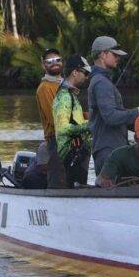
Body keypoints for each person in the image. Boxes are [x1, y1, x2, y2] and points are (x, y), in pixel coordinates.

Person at [87, 35, 139, 175]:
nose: (118, 58)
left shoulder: (102, 81)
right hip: (108, 150)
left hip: (111, 149)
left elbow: (114, 117)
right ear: (102, 54)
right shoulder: (101, 83)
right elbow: (111, 117)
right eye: (114, 54)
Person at [52, 55, 92, 188]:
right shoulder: (64, 96)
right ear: (75, 72)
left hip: (78, 154)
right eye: (85, 73)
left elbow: (74, 120)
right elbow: (62, 128)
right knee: (75, 190)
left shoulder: (72, 95)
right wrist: (89, 126)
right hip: (70, 156)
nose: (87, 77)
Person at [35, 47, 66, 187]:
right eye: (49, 61)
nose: (54, 63)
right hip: (56, 140)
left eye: (57, 60)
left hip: (70, 138)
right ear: (43, 65)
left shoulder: (64, 85)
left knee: (70, 177)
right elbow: (55, 119)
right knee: (58, 180)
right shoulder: (45, 88)